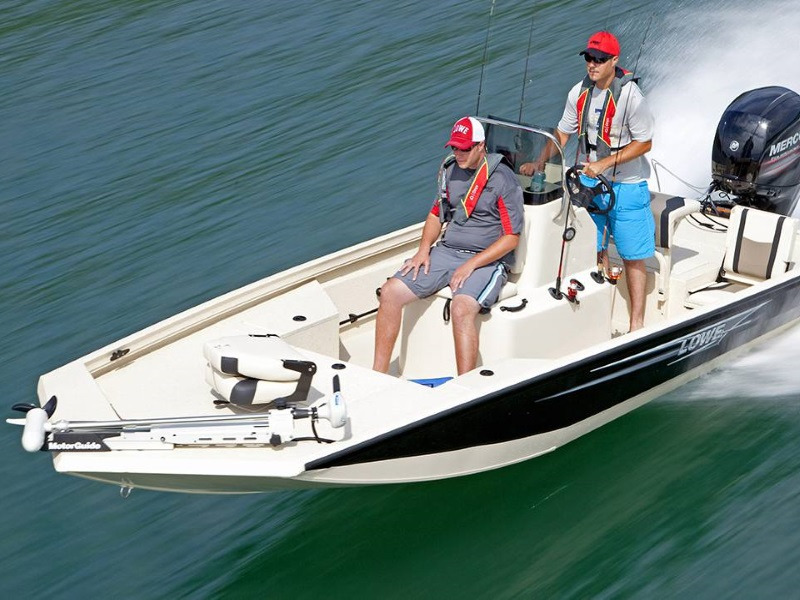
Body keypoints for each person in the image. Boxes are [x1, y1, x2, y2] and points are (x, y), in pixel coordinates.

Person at [521, 31, 655, 332]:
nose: (592, 65)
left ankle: (636, 324)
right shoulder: (578, 92)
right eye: (589, 59)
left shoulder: (631, 97)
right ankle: (593, 317)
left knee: (633, 256)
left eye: (600, 59)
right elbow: (563, 132)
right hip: (589, 183)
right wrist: (540, 161)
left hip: (627, 184)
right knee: (590, 248)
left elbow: (645, 143)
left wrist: (604, 163)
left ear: (614, 61)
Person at [372, 116, 525, 375]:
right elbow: (435, 214)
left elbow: (511, 238)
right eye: (455, 147)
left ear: (480, 146)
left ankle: (465, 384)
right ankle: (377, 374)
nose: (459, 153)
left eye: (464, 148)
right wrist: (423, 250)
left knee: (461, 306)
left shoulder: (502, 179)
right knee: (390, 292)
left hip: (485, 260)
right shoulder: (449, 169)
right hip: (447, 251)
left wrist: (470, 265)